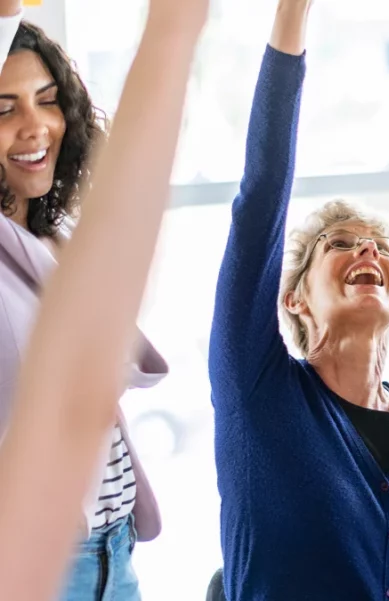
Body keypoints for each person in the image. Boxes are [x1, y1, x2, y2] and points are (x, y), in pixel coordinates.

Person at [208, 1, 389, 599]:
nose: (368, 253)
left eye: (383, 249)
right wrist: (291, 19)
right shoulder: (259, 393)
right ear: (294, 298)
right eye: (341, 244)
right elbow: (260, 199)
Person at [0, 0, 207, 598]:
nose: (36, 126)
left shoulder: (59, 241)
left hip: (116, 555)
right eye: (4, 108)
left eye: (46, 99)